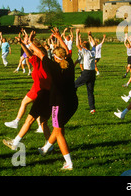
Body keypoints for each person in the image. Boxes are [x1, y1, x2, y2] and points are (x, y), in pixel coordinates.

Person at [37, 28, 79, 170]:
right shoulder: (70, 63)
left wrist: (29, 42)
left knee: (59, 131)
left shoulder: (53, 66)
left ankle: (68, 163)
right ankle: (45, 148)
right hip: (72, 103)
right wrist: (59, 37)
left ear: (55, 57)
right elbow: (66, 50)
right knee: (58, 127)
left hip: (58, 104)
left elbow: (40, 53)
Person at [3, 32, 52, 151]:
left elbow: (30, 54)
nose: (33, 54)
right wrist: (24, 43)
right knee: (43, 122)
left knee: (29, 120)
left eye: (35, 52)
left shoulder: (38, 63)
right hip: (50, 96)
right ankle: (49, 146)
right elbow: (31, 53)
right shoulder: (50, 64)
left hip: (42, 95)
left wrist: (22, 43)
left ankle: (15, 142)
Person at [74, 29, 97, 114]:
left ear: (84, 47)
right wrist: (90, 35)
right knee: (90, 91)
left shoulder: (85, 52)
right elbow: (94, 44)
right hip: (92, 73)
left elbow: (77, 44)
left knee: (73, 86)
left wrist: (77, 33)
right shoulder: (93, 51)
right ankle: (92, 108)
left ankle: (71, 101)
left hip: (86, 73)